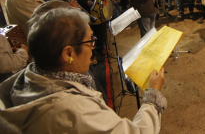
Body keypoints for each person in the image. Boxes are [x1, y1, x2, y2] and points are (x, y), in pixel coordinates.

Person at [0, 7, 167, 133]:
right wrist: (152, 96)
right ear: (68, 53)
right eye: (90, 41)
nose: (92, 48)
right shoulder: (74, 111)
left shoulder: (28, 76)